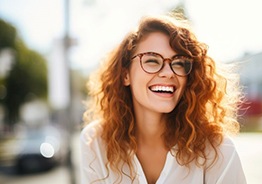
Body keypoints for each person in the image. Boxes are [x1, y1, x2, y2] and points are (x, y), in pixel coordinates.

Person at [80, 13, 247, 184]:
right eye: (152, 60)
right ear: (125, 75)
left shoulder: (218, 150)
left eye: (179, 63)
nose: (169, 73)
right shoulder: (96, 142)